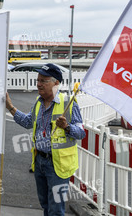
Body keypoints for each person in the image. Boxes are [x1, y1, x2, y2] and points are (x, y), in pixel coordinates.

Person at [5, 63, 85, 216]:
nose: (39, 84)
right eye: (38, 80)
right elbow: (28, 122)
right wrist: (10, 107)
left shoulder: (68, 103)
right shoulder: (38, 102)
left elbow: (81, 133)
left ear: (56, 83)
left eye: (43, 81)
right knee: (45, 205)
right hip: (39, 161)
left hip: (58, 165)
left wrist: (67, 127)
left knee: (56, 209)